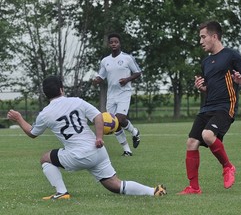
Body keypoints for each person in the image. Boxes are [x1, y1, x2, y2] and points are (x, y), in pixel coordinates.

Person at [7, 76, 166, 200]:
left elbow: (33, 133)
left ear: (45, 94)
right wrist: (99, 137)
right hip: (97, 150)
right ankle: (153, 191)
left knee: (45, 159)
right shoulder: (77, 101)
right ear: (62, 89)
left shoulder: (45, 114)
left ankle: (62, 193)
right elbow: (98, 116)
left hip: (77, 155)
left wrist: (19, 118)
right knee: (115, 185)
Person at [178, 21, 241, 195]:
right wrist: (203, 87)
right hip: (207, 107)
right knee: (191, 143)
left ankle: (228, 167)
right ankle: (194, 188)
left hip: (225, 106)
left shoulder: (230, 55)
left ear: (214, 36)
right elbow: (211, 86)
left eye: (203, 37)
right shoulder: (206, 62)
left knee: (207, 135)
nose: (201, 41)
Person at [93, 33, 141, 156]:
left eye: (116, 42)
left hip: (124, 93)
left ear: (120, 43)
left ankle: (134, 132)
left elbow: (137, 72)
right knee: (114, 124)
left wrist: (127, 79)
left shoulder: (127, 58)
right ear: (109, 44)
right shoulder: (105, 61)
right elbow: (101, 76)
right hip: (111, 95)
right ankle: (127, 150)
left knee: (119, 119)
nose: (114, 44)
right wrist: (97, 80)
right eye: (111, 42)